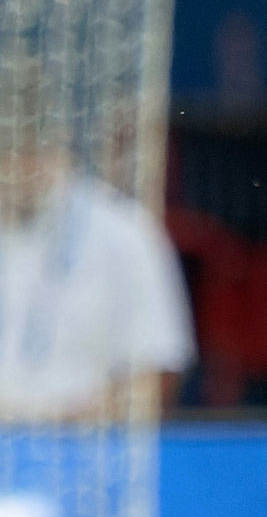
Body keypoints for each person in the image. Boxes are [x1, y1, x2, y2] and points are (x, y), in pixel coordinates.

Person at [0, 153, 193, 421]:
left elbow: (157, 371)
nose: (19, 161)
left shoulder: (122, 229)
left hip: (80, 445)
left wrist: (63, 424)